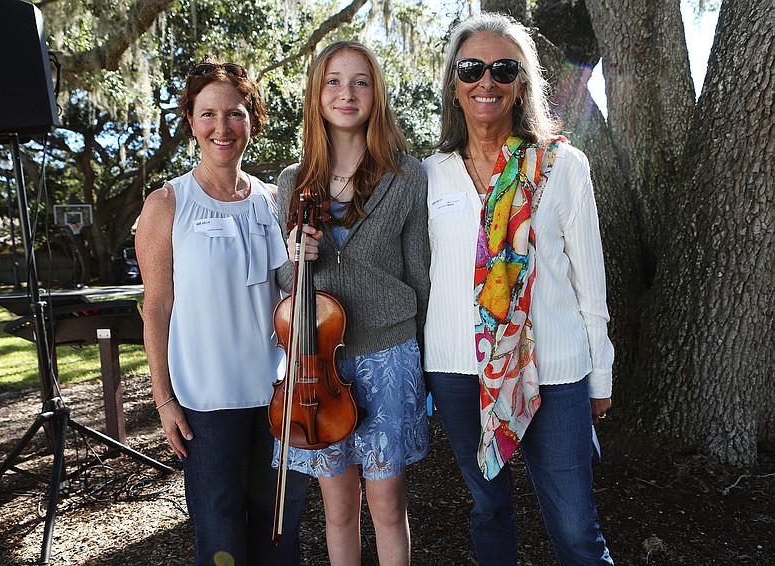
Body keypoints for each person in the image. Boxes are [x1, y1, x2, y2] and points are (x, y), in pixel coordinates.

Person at [423, 12, 614, 566]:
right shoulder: (428, 175)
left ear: (522, 82)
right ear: (454, 85)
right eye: (472, 68)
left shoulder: (564, 167)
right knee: (489, 513)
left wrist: (599, 373)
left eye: (504, 68)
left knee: (577, 530)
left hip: (554, 372)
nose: (487, 80)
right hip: (458, 372)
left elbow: (590, 285)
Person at [136, 58, 307, 566]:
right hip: (204, 404)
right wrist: (164, 400)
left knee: (279, 530)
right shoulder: (167, 204)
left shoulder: (275, 201)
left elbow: (291, 295)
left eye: (234, 114)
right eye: (208, 114)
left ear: (251, 120)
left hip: (276, 396)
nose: (222, 127)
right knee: (220, 535)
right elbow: (157, 309)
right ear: (191, 122)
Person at [274, 41, 430, 566]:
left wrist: (423, 364)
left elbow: (419, 275)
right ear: (317, 95)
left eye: (360, 81)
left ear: (376, 95)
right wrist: (295, 255)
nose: (347, 92)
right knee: (338, 509)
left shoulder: (407, 176)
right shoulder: (293, 183)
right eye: (334, 81)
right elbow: (286, 285)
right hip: (318, 363)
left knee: (387, 505)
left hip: (388, 354)